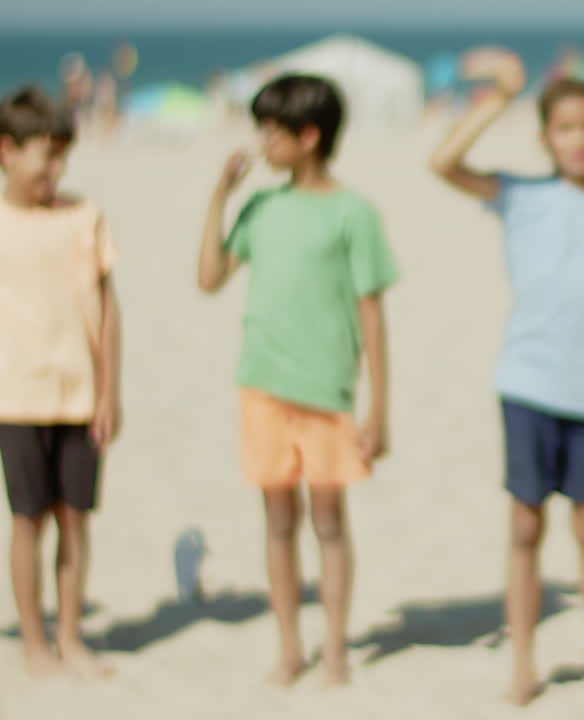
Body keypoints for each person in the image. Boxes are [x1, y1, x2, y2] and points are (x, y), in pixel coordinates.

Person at [428, 48, 584, 705]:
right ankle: (524, 665)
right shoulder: (520, 195)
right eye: (564, 128)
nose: (578, 139)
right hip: (529, 386)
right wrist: (499, 98)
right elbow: (443, 163)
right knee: (525, 528)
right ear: (544, 137)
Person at [196, 74, 397, 687]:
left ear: (309, 137)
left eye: (272, 131)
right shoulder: (261, 207)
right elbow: (209, 278)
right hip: (262, 386)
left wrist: (378, 408)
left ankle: (333, 647)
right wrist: (220, 196)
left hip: (327, 392)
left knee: (329, 522)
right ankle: (290, 647)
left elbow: (371, 314)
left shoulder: (353, 213)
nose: (263, 142)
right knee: (278, 521)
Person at [0, 86, 122, 678]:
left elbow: (108, 309)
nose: (55, 170)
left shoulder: (83, 216)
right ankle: (34, 642)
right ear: (6, 150)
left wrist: (109, 392)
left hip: (79, 396)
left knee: (75, 517)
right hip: (15, 400)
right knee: (28, 519)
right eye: (45, 156)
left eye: (62, 158)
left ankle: (70, 636)